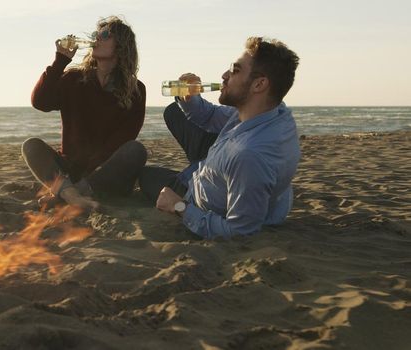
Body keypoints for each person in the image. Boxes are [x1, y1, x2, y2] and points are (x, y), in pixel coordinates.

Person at [139, 37, 300, 238]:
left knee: (145, 177)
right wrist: (189, 98)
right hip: (208, 177)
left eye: (235, 70)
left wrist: (179, 206)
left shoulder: (249, 156)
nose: (224, 75)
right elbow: (209, 116)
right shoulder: (270, 112)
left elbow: (238, 232)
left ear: (259, 84)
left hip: (194, 199)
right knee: (174, 112)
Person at [23, 16, 147, 210]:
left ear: (122, 45)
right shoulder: (74, 79)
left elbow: (123, 140)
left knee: (136, 150)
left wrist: (86, 178)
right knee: (31, 146)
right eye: (95, 34)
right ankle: (72, 195)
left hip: (104, 175)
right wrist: (60, 62)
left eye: (105, 35)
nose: (97, 38)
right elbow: (40, 102)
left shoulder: (135, 90)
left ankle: (69, 193)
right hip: (70, 169)